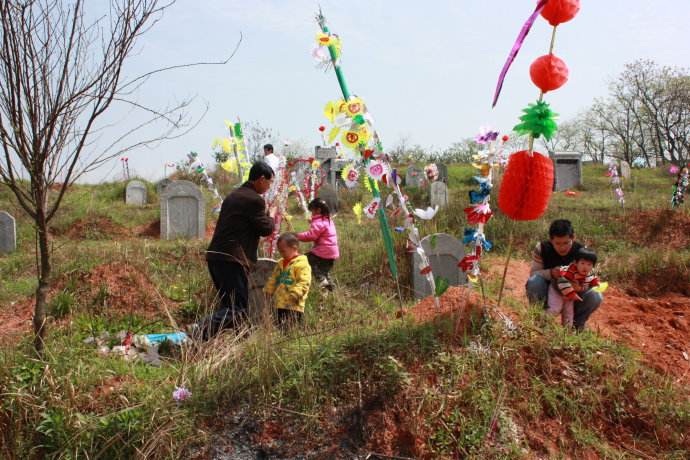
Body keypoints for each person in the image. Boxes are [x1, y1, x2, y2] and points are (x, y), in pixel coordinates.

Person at [202, 161, 275, 338]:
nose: (269, 186)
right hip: (232, 260)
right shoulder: (253, 199)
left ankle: (234, 340)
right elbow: (266, 229)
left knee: (230, 306)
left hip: (217, 258)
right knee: (238, 309)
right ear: (261, 179)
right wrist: (271, 214)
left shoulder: (234, 195)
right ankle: (199, 328)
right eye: (269, 182)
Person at [526, 219, 603, 330]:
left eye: (566, 243)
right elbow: (534, 273)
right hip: (550, 290)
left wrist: (580, 287)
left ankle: (577, 325)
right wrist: (551, 273)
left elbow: (590, 279)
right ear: (551, 240)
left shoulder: (582, 252)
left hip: (573, 294)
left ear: (573, 238)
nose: (562, 247)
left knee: (596, 295)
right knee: (534, 282)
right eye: (557, 243)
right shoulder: (542, 248)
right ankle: (540, 321)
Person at [264, 233, 312, 329]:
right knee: (280, 327)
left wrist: (295, 294)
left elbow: (304, 282)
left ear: (294, 248)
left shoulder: (302, 264)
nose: (281, 254)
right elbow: (273, 279)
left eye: (283, 251)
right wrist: (268, 291)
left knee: (291, 329)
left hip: (294, 305)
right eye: (280, 251)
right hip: (280, 303)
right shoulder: (280, 263)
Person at [547, 248, 600, 328]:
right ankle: (542, 323)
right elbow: (561, 281)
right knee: (555, 309)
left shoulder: (590, 273)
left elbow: (592, 280)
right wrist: (572, 294)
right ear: (575, 263)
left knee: (569, 314)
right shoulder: (569, 271)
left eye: (589, 264)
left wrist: (595, 284)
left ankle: (567, 332)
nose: (585, 267)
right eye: (582, 263)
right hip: (557, 291)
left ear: (593, 266)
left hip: (570, 295)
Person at [296, 198, 339, 291]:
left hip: (323, 251)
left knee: (305, 260)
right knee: (324, 271)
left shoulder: (318, 222)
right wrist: (312, 222)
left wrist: (297, 236)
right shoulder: (328, 220)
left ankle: (322, 281)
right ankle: (331, 289)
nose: (312, 214)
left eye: (312, 212)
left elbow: (311, 236)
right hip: (332, 253)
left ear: (318, 210)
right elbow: (320, 228)